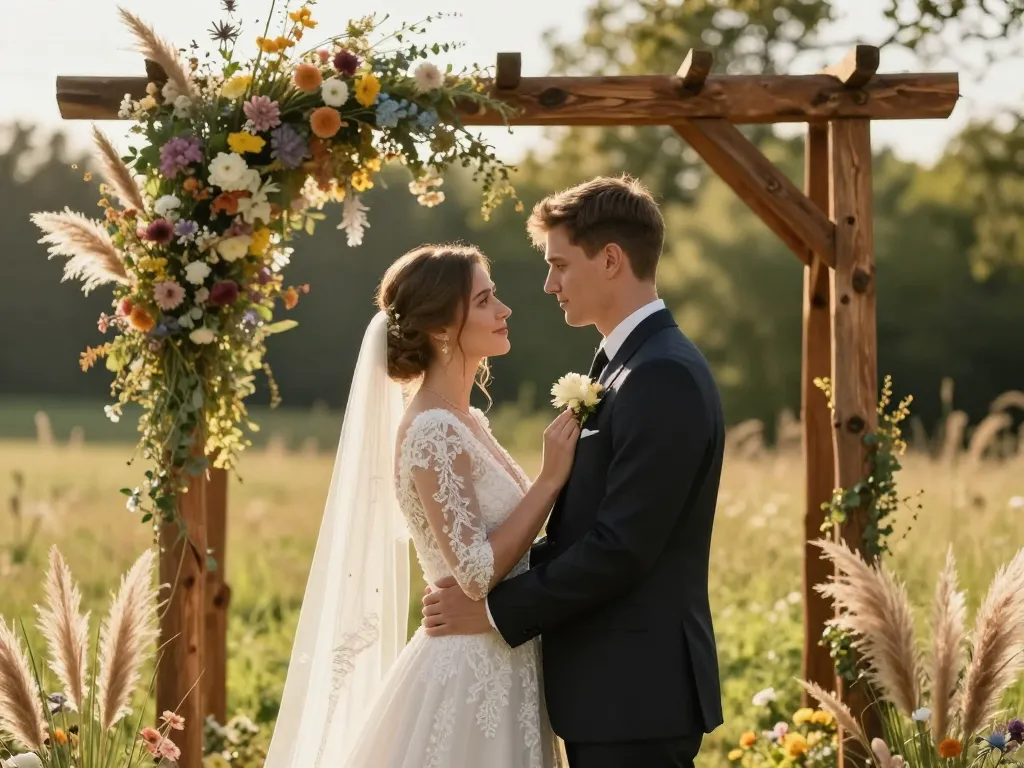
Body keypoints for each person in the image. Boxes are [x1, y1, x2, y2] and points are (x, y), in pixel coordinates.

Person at [422, 175, 726, 768]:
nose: (549, 284)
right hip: (609, 692)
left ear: (610, 260)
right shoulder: (623, 365)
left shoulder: (662, 374)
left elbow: (622, 547)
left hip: (636, 697)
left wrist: (493, 611)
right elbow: (583, 530)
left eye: (559, 265)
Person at [264, 243, 576, 768]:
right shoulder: (433, 430)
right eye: (484, 300)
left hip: (503, 655)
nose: (504, 310)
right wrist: (548, 482)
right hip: (470, 671)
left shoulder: (467, 421)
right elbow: (474, 573)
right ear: (439, 328)